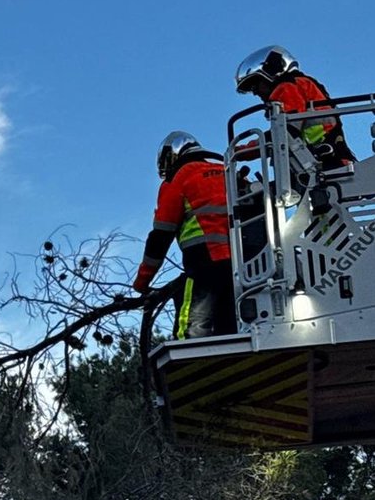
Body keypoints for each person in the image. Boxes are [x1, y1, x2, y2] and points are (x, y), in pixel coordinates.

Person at [133, 130, 238, 339]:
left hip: (205, 263)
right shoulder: (227, 171)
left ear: (172, 156)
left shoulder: (178, 179)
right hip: (244, 263)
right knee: (231, 327)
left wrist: (142, 282)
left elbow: (160, 237)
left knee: (191, 330)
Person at [234, 45, 355, 170]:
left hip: (324, 162)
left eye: (256, 85)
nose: (255, 92)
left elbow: (284, 132)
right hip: (328, 157)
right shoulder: (301, 83)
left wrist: (244, 151)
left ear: (272, 71)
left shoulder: (287, 87)